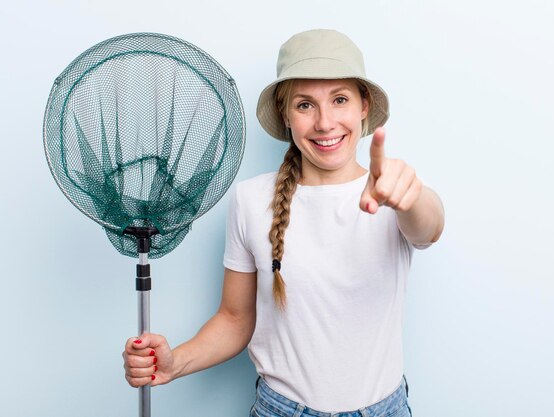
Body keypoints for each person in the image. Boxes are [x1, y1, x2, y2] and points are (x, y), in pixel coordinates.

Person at [123, 29, 445, 417]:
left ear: (364, 105)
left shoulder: (393, 189)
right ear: (285, 115)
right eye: (305, 105)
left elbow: (429, 227)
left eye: (340, 99)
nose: (325, 123)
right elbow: (235, 319)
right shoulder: (250, 200)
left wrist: (411, 197)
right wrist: (176, 361)